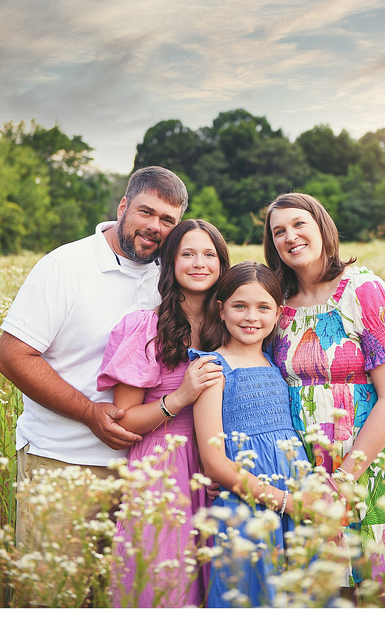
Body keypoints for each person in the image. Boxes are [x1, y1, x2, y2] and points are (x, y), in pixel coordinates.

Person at [263, 193, 385, 604]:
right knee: (328, 592)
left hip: (368, 458)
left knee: (381, 587)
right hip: (306, 464)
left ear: (322, 227)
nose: (290, 236)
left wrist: (344, 478)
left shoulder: (362, 289)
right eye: (279, 232)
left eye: (298, 224)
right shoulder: (277, 304)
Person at [0, 166, 188, 553]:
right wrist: (88, 412)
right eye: (145, 212)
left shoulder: (173, 274)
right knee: (52, 596)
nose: (155, 227)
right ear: (122, 207)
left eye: (168, 220)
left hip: (143, 470)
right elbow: (13, 356)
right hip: (62, 462)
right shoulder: (66, 266)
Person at [95, 219, 228, 607]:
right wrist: (180, 397)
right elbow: (124, 419)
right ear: (169, 263)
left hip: (219, 466)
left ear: (222, 263)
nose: (199, 263)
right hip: (164, 469)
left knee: (220, 589)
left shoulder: (235, 322)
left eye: (209, 254)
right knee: (166, 588)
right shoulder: (148, 327)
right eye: (187, 254)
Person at [191, 262, 327, 608]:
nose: (251, 317)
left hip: (297, 498)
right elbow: (214, 461)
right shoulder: (213, 368)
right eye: (240, 306)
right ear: (221, 310)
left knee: (301, 592)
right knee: (253, 591)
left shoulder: (276, 364)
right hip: (249, 502)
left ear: (279, 313)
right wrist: (283, 501)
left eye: (263, 307)